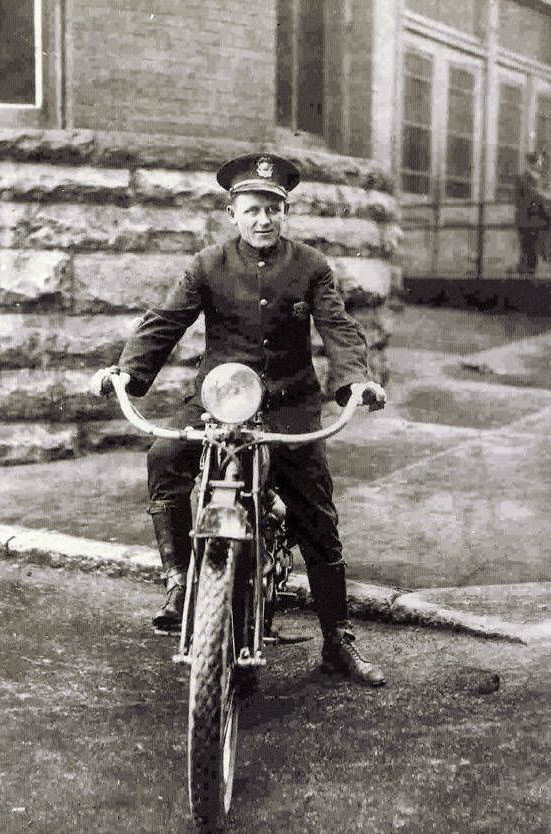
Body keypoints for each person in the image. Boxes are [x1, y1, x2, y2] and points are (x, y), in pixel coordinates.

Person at [91, 153, 387, 686]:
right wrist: (125, 374)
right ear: (232, 212)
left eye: (273, 208)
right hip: (221, 399)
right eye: (252, 209)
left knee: (316, 512)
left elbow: (339, 328)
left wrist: (355, 381)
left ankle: (338, 642)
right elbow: (165, 323)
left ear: (285, 210)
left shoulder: (311, 267)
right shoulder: (207, 264)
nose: (263, 220)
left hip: (291, 404)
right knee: (164, 456)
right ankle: (179, 580)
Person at [514, 152, 551, 275]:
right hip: (528, 220)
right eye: (539, 161)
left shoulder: (537, 179)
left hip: (537, 220)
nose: (541, 164)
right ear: (533, 163)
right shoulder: (524, 179)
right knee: (528, 250)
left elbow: (541, 199)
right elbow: (533, 197)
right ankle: (526, 274)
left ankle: (530, 270)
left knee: (531, 251)